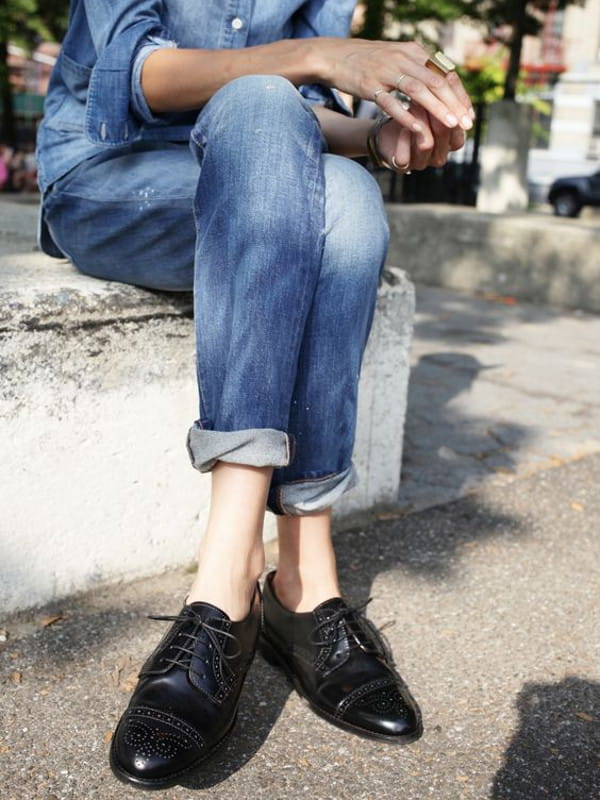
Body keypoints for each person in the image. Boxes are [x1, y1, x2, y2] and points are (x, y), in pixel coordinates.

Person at [36, 0, 473, 790]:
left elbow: (308, 121)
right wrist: (318, 55)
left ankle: (297, 583)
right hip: (112, 177)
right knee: (262, 100)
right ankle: (235, 578)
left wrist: (380, 134)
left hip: (268, 178)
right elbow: (141, 79)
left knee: (348, 195)